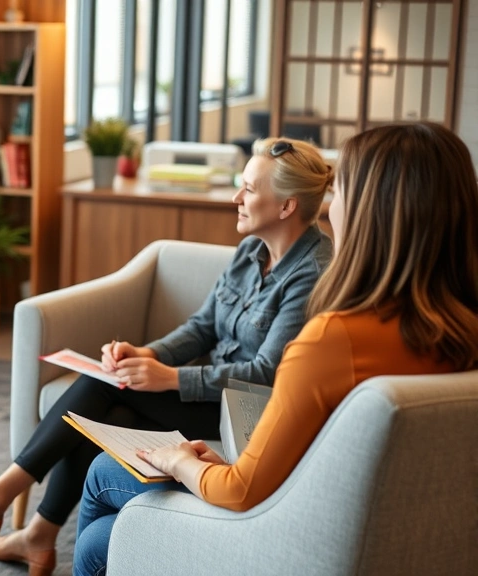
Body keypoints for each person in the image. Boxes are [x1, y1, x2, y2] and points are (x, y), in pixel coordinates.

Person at [73, 121, 478, 575]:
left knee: (99, 512)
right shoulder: (462, 335)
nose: (330, 210)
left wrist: (180, 460)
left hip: (294, 535)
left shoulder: (333, 339)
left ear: (371, 215)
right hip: (386, 538)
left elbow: (242, 491)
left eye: (339, 193)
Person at [0, 137, 334, 575]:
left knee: (103, 385)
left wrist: (168, 378)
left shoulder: (311, 274)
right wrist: (146, 354)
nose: (236, 197)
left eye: (249, 189)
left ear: (287, 207)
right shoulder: (253, 249)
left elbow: (264, 375)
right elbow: (203, 327)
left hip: (248, 417)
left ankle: (1, 505)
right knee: (111, 399)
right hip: (212, 398)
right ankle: (35, 534)